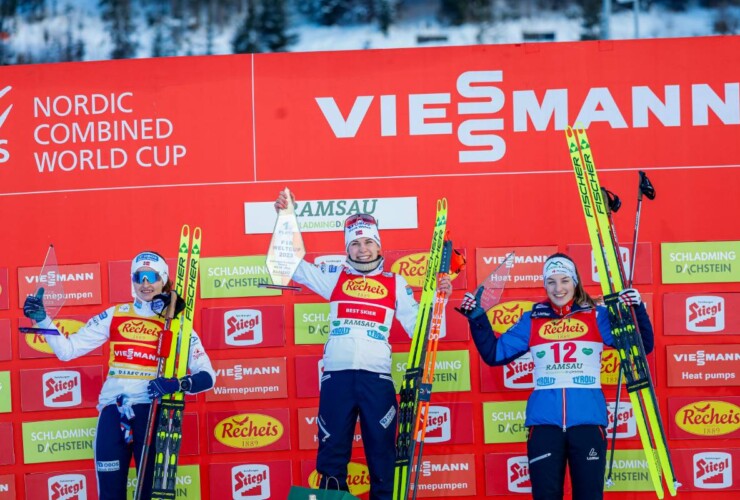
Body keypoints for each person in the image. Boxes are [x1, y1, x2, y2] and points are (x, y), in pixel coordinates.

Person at [275, 190, 451, 500]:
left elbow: (424, 332)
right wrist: (285, 219)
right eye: (355, 243)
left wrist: (439, 299)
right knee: (331, 457)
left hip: (377, 380)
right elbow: (288, 262)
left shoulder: (395, 282)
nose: (362, 249)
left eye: (369, 242)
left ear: (379, 245)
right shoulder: (333, 277)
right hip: (337, 379)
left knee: (383, 458)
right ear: (347, 248)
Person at [458, 253, 653, 500]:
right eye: (551, 282)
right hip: (544, 424)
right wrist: (477, 318)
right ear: (544, 284)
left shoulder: (597, 315)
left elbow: (642, 347)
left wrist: (638, 309)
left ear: (575, 282)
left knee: (589, 496)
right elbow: (494, 354)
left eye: (564, 281)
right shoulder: (532, 319)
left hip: (588, 421)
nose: (558, 288)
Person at [23, 251, 216, 500]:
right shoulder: (115, 314)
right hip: (114, 411)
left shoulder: (179, 324)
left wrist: (177, 384)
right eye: (139, 277)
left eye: (151, 277)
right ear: (132, 280)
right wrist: (43, 320)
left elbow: (208, 376)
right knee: (111, 494)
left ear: (163, 280)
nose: (145, 284)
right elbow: (67, 351)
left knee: (150, 494)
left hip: (153, 411)